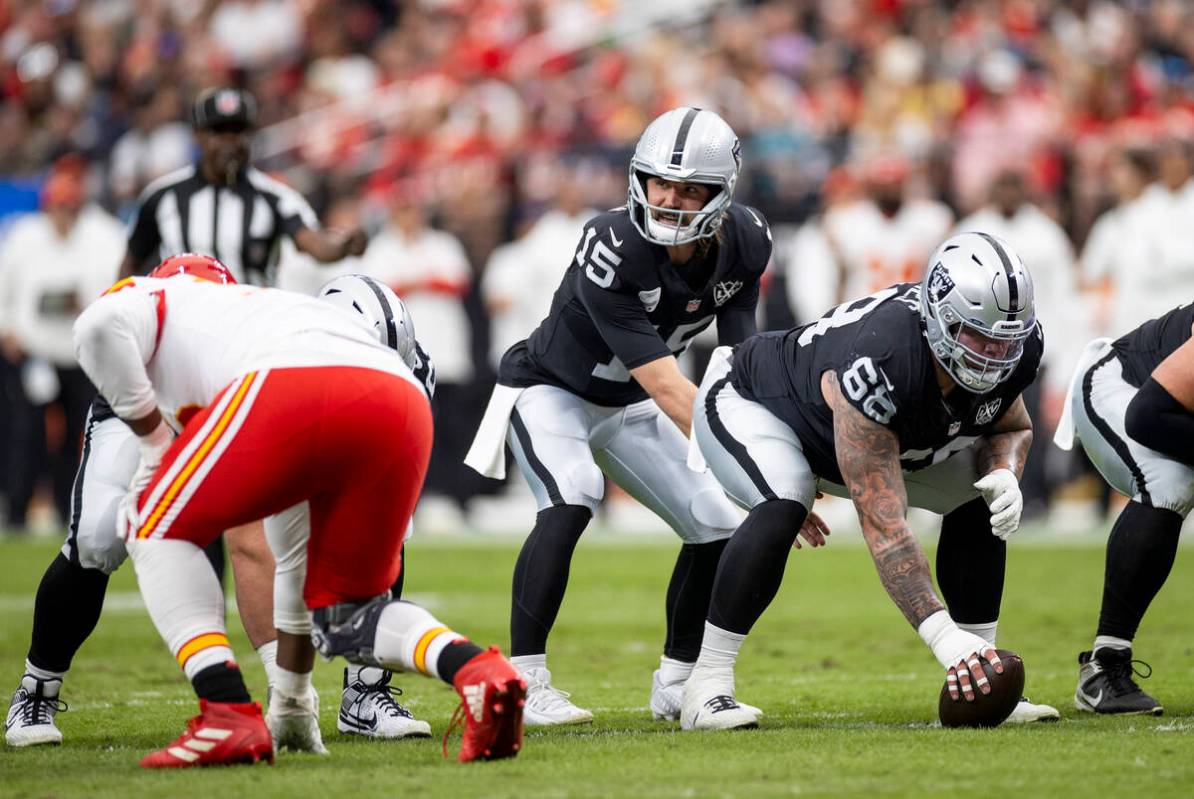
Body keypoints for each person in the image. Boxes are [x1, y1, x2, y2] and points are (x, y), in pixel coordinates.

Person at [66, 265, 523, 767]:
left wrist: (154, 446)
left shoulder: (156, 298)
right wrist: (292, 702)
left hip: (293, 382)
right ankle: (476, 670)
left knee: (148, 520)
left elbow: (94, 326)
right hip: (399, 398)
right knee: (347, 616)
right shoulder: (264, 317)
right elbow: (289, 564)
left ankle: (225, 711)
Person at [465, 107, 781, 726]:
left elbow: (736, 365)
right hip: (551, 390)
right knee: (574, 493)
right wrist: (765, 473)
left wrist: (775, 457)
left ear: (721, 194)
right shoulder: (614, 244)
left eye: (689, 188)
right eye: (658, 181)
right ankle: (524, 681)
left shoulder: (747, 240)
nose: (668, 199)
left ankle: (679, 682)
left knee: (715, 520)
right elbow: (667, 384)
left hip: (627, 404)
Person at [684, 231, 1059, 729]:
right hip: (753, 402)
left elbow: (1011, 424)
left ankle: (983, 676)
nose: (992, 354)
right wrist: (942, 636)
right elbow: (884, 524)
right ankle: (705, 684)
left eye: (1003, 340)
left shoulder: (1018, 344)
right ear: (939, 318)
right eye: (976, 336)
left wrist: (1005, 473)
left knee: (979, 493)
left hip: (867, 431)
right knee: (785, 497)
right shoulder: (882, 358)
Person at [4, 254, 276, 749]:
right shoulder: (128, 309)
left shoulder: (245, 327)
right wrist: (154, 439)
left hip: (212, 413)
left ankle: (281, 693)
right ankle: (36, 689)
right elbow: (94, 333)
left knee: (264, 535)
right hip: (133, 412)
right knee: (96, 540)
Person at [1054, 302, 1194, 715]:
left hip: (1162, 408)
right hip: (1116, 387)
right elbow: (1147, 417)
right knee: (1170, 483)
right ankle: (1104, 667)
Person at [118, 87, 367, 283]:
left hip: (249, 329)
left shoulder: (274, 197)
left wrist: (342, 246)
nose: (230, 141)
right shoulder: (162, 196)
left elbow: (312, 241)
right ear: (199, 136)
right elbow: (131, 262)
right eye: (219, 131)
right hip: (181, 325)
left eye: (238, 131)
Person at [0, 156, 124, 530]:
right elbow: (5, 290)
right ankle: (17, 510)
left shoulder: (103, 236)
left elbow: (115, 291)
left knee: (81, 433)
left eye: (69, 206)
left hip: (81, 354)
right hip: (33, 351)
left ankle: (67, 508)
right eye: (57, 205)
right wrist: (7, 331)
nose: (62, 214)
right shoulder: (24, 236)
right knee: (27, 434)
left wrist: (83, 302)